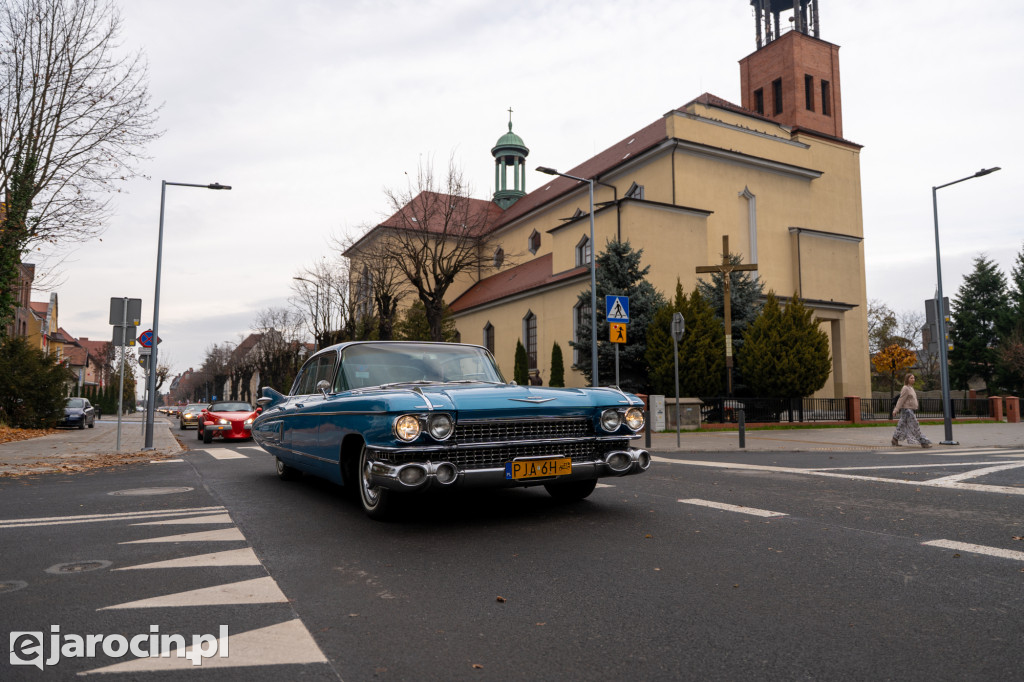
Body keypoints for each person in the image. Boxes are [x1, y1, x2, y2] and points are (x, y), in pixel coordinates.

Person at [891, 374, 932, 448]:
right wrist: (896, 410)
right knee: (915, 425)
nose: (913, 379)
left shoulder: (911, 388)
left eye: (914, 378)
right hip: (907, 411)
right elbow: (901, 399)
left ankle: (895, 438)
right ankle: (923, 442)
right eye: (911, 378)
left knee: (901, 425)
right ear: (907, 379)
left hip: (909, 410)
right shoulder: (905, 388)